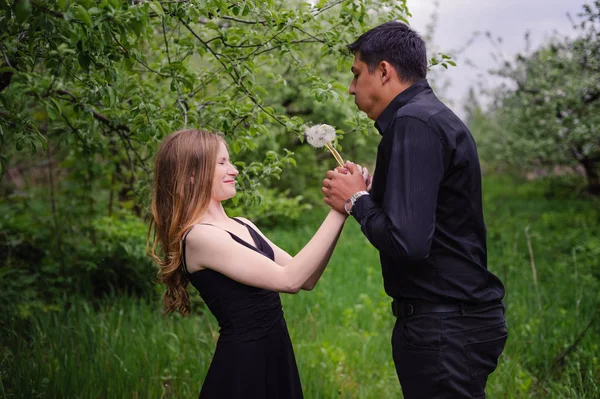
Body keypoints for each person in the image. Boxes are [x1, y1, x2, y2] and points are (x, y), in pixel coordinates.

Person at [321, 22, 507, 398]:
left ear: (385, 71)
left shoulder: (413, 122)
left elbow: (407, 242)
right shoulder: (428, 117)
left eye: (357, 74)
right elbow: (425, 218)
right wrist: (373, 194)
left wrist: (356, 202)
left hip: (445, 327)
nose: (351, 88)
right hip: (454, 322)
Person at [148, 129, 347, 399]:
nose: (234, 170)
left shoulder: (243, 225)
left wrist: (346, 208)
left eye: (229, 161)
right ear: (192, 174)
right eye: (221, 163)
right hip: (244, 371)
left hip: (276, 358)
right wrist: (340, 207)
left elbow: (307, 278)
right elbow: (289, 280)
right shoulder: (199, 237)